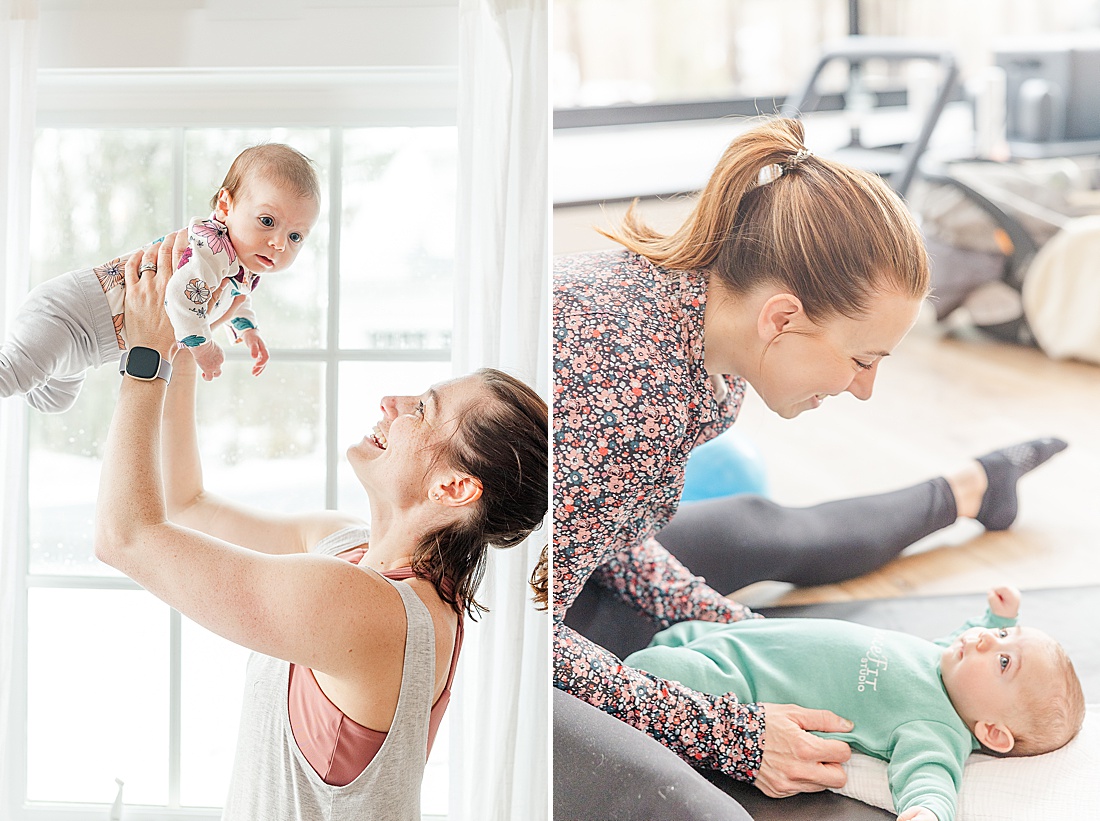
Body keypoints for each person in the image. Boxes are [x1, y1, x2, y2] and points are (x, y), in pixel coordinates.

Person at [552, 116, 1069, 817]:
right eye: (863, 359)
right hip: (495, 631)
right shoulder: (627, 380)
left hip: (558, 578)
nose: (865, 388)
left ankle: (970, 487)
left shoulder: (710, 351)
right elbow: (513, 628)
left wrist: (740, 628)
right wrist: (733, 735)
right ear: (782, 318)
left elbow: (598, 530)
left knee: (756, 527)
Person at [94, 233, 548, 820]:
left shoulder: (370, 609)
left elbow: (125, 537)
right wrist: (184, 340)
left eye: (424, 409)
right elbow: (186, 504)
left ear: (454, 488)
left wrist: (145, 357)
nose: (392, 402)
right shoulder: (353, 552)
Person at [625, 585, 1085, 821]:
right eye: (1002, 637)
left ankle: (621, 680)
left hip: (739, 681)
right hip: (747, 636)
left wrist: (927, 810)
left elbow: (931, 777)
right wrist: (1000, 616)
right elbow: (970, 638)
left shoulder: (936, 728)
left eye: (1004, 660)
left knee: (659, 672)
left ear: (990, 732)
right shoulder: (946, 660)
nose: (982, 640)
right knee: (685, 642)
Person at [0, 143, 320, 412]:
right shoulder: (212, 247)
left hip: (86, 349)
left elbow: (236, 299)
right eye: (267, 220)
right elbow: (182, 297)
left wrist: (247, 330)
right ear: (226, 205)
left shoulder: (242, 266)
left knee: (53, 401)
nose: (279, 243)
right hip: (71, 314)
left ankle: (34, 365)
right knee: (15, 374)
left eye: (295, 237)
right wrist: (203, 348)